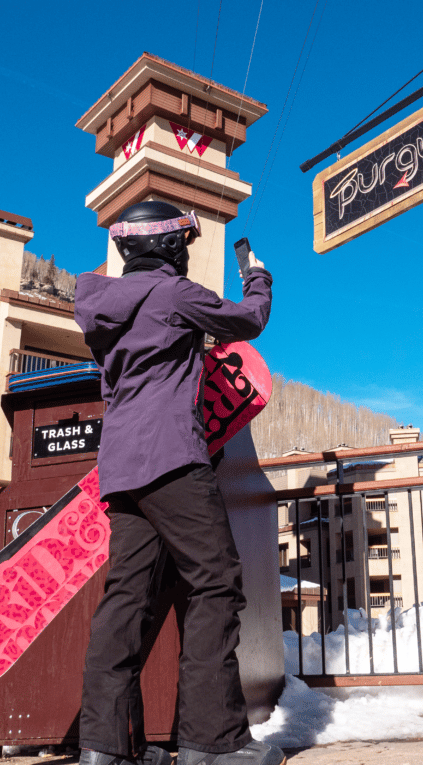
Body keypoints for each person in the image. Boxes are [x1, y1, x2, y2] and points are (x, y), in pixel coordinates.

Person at [73, 201, 284, 765]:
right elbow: (248, 321)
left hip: (120, 469)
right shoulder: (173, 294)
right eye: (184, 243)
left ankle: (106, 749)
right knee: (215, 585)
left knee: (126, 599)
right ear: (169, 246)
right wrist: (256, 276)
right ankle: (211, 745)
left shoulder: (100, 305)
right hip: (172, 456)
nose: (187, 253)